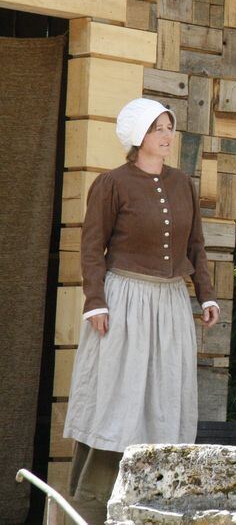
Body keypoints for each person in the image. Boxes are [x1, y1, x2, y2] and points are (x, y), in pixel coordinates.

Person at [64, 98, 220, 515]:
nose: (167, 136)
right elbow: (92, 247)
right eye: (158, 129)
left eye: (169, 127)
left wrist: (205, 292)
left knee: (164, 395)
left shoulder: (183, 184)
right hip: (125, 301)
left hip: (169, 302)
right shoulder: (112, 183)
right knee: (119, 398)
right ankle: (93, 508)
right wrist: (95, 302)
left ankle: (158, 504)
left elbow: (196, 246)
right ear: (138, 136)